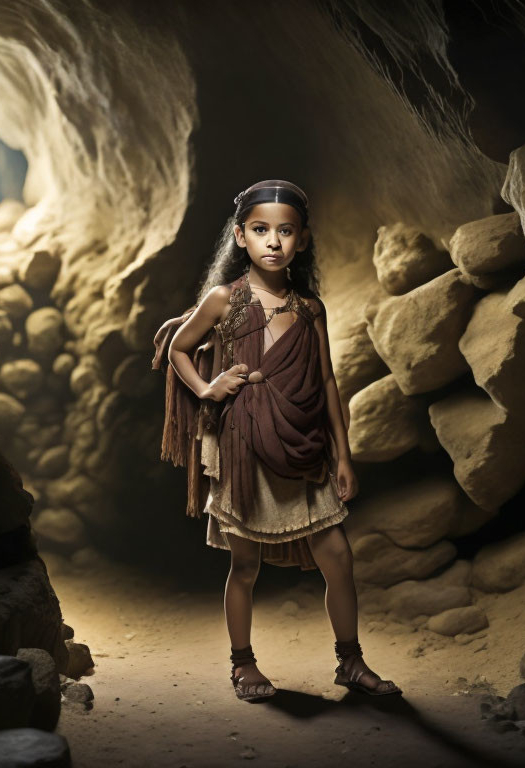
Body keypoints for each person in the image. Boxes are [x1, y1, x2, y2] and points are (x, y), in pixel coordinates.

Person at [152, 179, 401, 702]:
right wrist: (207, 387)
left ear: (302, 240)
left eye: (284, 231)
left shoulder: (311, 309)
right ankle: (243, 666)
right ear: (240, 236)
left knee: (338, 555)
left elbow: (328, 381)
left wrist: (344, 456)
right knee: (244, 566)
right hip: (244, 444)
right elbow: (179, 347)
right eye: (260, 230)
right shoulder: (225, 300)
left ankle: (350, 662)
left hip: (305, 445)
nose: (272, 241)